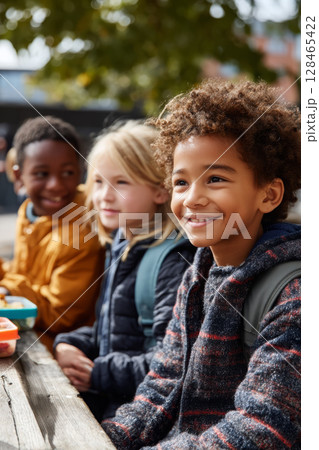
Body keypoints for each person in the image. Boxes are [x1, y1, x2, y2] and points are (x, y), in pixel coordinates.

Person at [101, 79, 301, 448]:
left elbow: (264, 428)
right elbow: (163, 382)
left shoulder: (295, 294)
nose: (192, 198)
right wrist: (100, 439)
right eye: (180, 182)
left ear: (269, 195)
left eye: (216, 178)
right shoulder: (198, 274)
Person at [53, 121, 196, 422]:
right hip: (112, 407)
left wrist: (99, 374)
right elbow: (115, 331)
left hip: (141, 420)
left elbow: (171, 362)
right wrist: (69, 343)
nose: (104, 195)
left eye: (121, 182)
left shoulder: (172, 260)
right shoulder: (122, 244)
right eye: (99, 182)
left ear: (160, 191)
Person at [0, 116, 105, 350]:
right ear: (19, 177)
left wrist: (10, 288)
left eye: (67, 173)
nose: (55, 185)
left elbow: (62, 313)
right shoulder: (29, 212)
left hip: (59, 346)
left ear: (80, 172)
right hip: (25, 332)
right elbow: (23, 273)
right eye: (41, 174)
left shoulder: (82, 225)